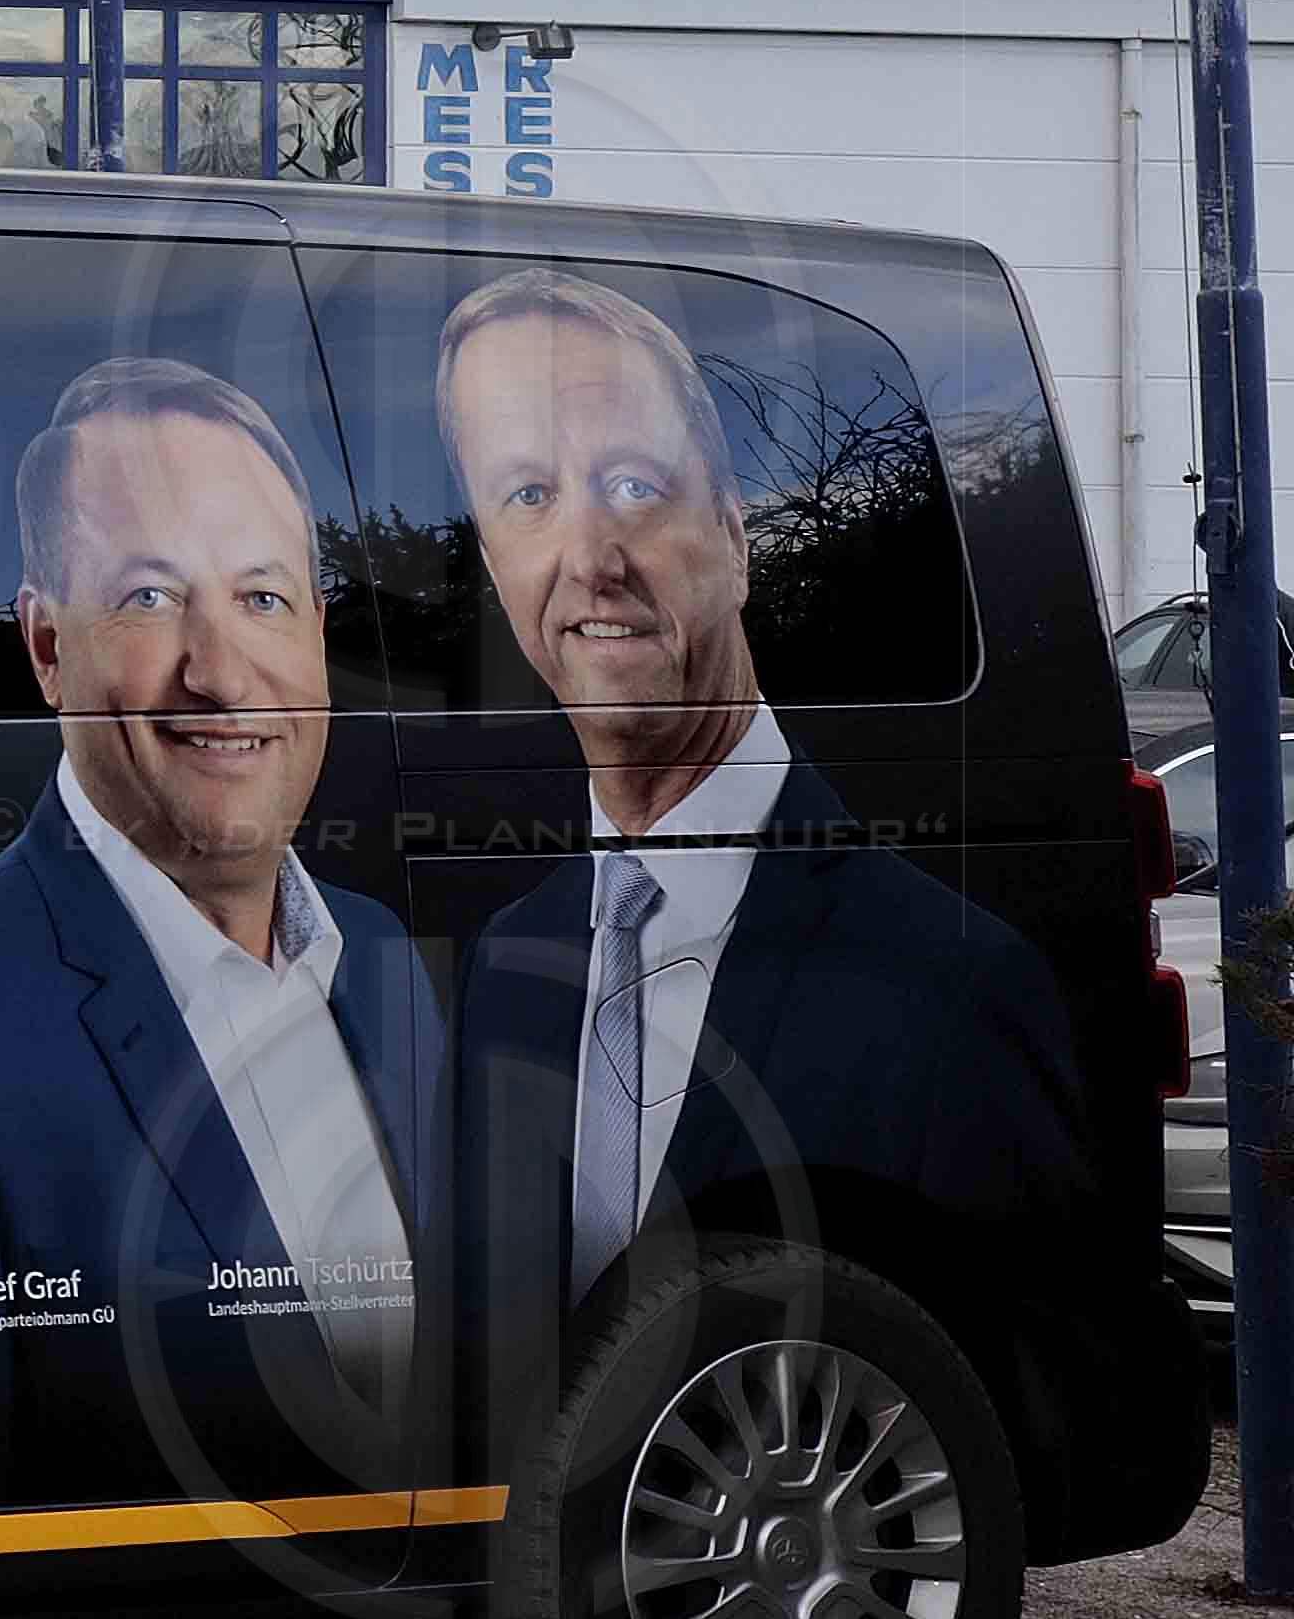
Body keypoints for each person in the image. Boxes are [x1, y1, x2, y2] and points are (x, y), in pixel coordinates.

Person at [0, 357, 439, 1509]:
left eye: (263, 597)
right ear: (46, 646)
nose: (221, 674)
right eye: (150, 597)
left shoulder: (385, 966)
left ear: (320, 637)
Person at [436, 269, 1087, 1299]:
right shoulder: (506, 967)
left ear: (737, 541)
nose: (590, 555)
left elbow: (1026, 1400)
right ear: (494, 568)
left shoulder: (955, 987)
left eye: (636, 485)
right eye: (529, 495)